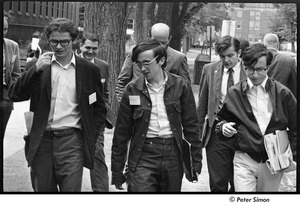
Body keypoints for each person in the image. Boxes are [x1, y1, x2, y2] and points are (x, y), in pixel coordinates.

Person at [8, 18, 107, 192]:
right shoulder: (38, 65)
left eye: (64, 42)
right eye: (54, 41)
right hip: (42, 141)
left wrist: (92, 133)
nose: (59, 46)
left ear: (74, 41)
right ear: (48, 40)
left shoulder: (89, 70)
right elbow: (15, 94)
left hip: (72, 141)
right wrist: (34, 70)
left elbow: (99, 106)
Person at [111, 39, 202, 192]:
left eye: (146, 63)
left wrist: (196, 160)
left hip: (173, 153)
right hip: (143, 153)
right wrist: (117, 170)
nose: (142, 68)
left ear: (161, 60)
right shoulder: (132, 89)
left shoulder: (180, 86)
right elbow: (121, 133)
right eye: (138, 64)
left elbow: (191, 125)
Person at [215, 43, 297, 192]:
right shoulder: (234, 93)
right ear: (244, 67)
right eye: (250, 70)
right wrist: (223, 127)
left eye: (260, 69)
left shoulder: (283, 93)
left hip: (274, 160)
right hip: (244, 158)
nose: (255, 74)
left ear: (268, 67)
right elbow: (220, 120)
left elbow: (295, 126)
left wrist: (294, 157)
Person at [197, 35, 247, 192]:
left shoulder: (250, 70)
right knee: (218, 183)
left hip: (244, 133)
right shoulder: (210, 69)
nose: (226, 60)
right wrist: (197, 136)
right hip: (216, 134)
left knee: (239, 184)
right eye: (222, 56)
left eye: (230, 55)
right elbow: (203, 104)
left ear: (239, 53)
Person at [115, 23, 191, 102]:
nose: (160, 46)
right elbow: (121, 83)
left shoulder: (178, 58)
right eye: (156, 42)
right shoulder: (134, 54)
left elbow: (186, 89)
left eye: (164, 43)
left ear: (169, 39)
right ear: (149, 37)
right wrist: (130, 105)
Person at [79, 32, 113, 192]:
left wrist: (103, 110)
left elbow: (104, 93)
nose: (90, 51)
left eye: (94, 48)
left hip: (95, 120)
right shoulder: (72, 63)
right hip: (74, 118)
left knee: (98, 154)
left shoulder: (103, 66)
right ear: (80, 46)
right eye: (87, 47)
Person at [2, 15, 21, 140]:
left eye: (5, 29)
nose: (3, 32)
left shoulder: (12, 46)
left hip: (5, 97)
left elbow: (16, 73)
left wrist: (10, 92)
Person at [263, 33, 297, 98]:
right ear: (278, 45)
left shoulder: (257, 59)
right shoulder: (289, 61)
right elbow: (294, 85)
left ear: (264, 44)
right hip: (281, 101)